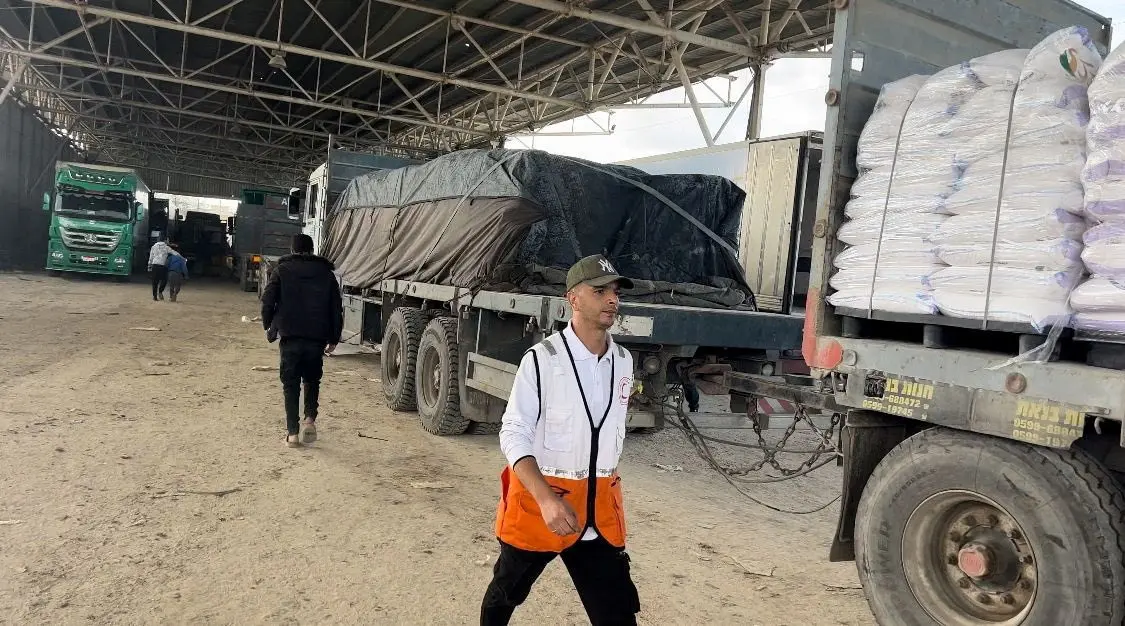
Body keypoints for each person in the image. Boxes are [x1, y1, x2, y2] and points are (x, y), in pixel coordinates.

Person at [481, 254, 641, 626]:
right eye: (600, 291)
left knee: (617, 615)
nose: (612, 300)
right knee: (504, 597)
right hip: (543, 508)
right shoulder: (542, 360)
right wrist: (547, 500)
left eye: (615, 292)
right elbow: (513, 432)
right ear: (574, 299)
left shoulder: (623, 362)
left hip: (599, 514)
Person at [260, 234, 343, 448]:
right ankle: (309, 420)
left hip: (290, 336)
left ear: (292, 249)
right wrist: (334, 337)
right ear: (311, 250)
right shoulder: (326, 274)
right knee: (312, 380)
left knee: (290, 384)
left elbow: (267, 300)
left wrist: (268, 324)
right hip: (316, 338)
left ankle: (292, 434)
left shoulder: (281, 270)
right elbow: (336, 308)